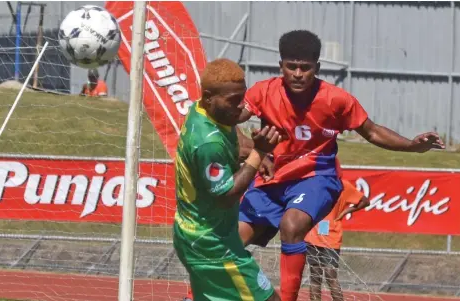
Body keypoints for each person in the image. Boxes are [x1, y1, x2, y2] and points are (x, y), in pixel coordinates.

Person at [236, 29, 445, 301]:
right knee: (226, 244)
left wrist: (413, 146)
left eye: (305, 67)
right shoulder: (262, 91)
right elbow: (228, 117)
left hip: (316, 177)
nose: (298, 73)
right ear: (281, 66)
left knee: (292, 225)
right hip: (273, 178)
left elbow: (372, 131)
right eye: (292, 67)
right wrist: (252, 150)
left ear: (317, 68)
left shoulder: (336, 99)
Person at [174, 58, 284, 301]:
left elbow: (230, 131)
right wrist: (259, 153)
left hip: (200, 235)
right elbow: (227, 195)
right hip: (212, 246)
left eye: (241, 97)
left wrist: (249, 150)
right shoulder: (207, 143)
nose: (240, 106)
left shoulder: (200, 110)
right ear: (209, 96)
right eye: (233, 100)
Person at [304, 179, 370, 301]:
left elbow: (365, 201)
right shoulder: (313, 182)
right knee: (315, 276)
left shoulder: (343, 185)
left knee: (330, 275)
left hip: (331, 236)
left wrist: (346, 211)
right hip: (312, 235)